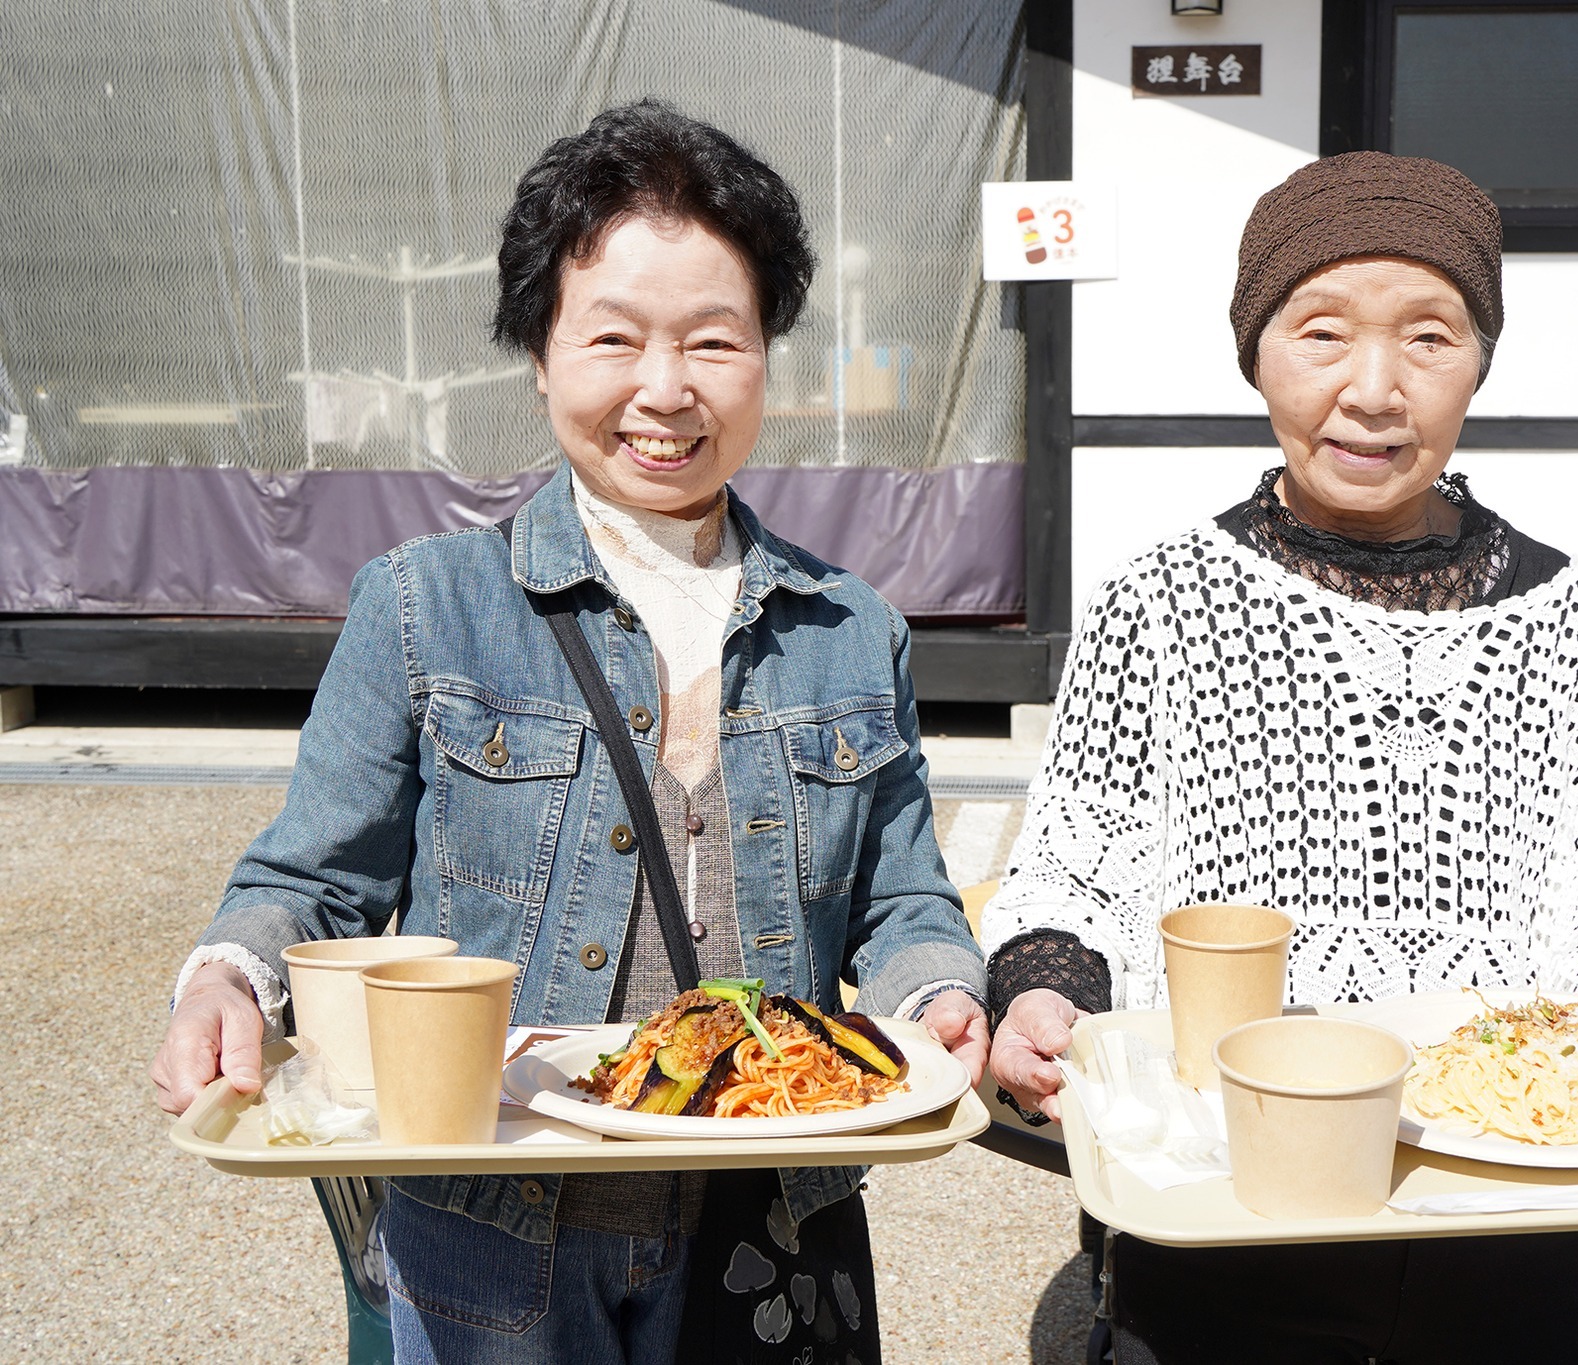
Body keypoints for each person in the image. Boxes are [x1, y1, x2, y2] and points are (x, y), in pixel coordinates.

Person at [150, 98, 989, 1364]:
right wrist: (229, 977)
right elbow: (313, 875)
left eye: (715, 339)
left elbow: (905, 901)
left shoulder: (849, 626)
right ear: (538, 356)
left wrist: (941, 999)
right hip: (494, 1233)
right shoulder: (426, 606)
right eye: (613, 339)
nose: (666, 389)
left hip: (772, 1228)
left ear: (766, 359)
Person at [980, 152, 1578, 1365]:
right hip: (1228, 1204)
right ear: (1256, 350)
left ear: (1479, 358)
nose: (1373, 389)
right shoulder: (1156, 606)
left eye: (1429, 337)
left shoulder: (1572, 621)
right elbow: (1074, 871)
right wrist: (1043, 987)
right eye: (1320, 332)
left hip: (1516, 1218)